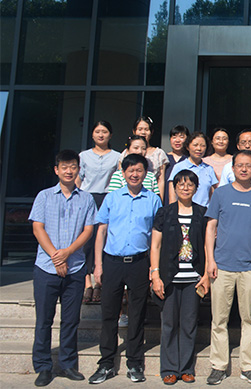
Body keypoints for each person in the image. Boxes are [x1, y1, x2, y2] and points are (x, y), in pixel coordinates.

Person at [89, 153, 162, 384]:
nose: (134, 174)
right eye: (130, 170)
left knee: (137, 315)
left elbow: (157, 237)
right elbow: (101, 231)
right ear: (123, 173)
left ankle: (134, 362)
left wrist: (154, 268)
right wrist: (98, 265)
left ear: (145, 173)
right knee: (109, 314)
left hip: (140, 263)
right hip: (112, 262)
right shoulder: (112, 198)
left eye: (139, 170)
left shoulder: (153, 200)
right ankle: (106, 363)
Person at [204, 150, 251, 385]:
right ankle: (218, 366)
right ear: (232, 168)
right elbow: (210, 228)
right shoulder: (221, 194)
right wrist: (210, 261)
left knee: (250, 319)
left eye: (248, 165)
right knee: (219, 320)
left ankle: (249, 366)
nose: (244, 169)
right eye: (240, 165)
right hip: (222, 266)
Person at [29, 150, 97, 387]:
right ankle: (43, 366)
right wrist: (57, 258)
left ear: (79, 170)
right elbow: (38, 228)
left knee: (70, 320)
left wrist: (68, 253)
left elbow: (88, 230)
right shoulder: (44, 196)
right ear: (56, 170)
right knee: (44, 320)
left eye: (73, 167)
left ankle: (68, 364)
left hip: (75, 267)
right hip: (46, 268)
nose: (69, 171)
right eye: (64, 167)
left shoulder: (86, 199)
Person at [150, 170, 210, 385]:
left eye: (190, 184)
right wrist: (155, 275)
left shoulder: (202, 213)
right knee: (169, 324)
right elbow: (155, 245)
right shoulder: (164, 212)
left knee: (188, 324)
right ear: (174, 187)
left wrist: (206, 275)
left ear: (196, 188)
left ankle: (186, 368)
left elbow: (207, 246)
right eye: (181, 184)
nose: (185, 188)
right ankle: (168, 368)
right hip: (169, 278)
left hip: (193, 278)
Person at [77, 121, 121, 304]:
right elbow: (79, 180)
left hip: (107, 198)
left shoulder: (117, 156)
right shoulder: (83, 156)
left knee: (104, 240)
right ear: (92, 134)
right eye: (97, 131)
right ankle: (87, 283)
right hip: (87, 199)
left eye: (104, 132)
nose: (101, 135)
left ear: (110, 135)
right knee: (87, 241)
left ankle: (99, 283)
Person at [122, 116, 169, 197]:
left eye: (146, 129)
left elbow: (161, 181)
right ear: (134, 131)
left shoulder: (159, 154)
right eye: (140, 129)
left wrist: (159, 200)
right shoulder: (125, 153)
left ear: (151, 132)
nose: (143, 132)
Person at [168, 132, 218, 206]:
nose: (199, 149)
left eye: (203, 146)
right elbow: (172, 196)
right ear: (187, 147)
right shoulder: (179, 167)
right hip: (183, 210)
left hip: (204, 211)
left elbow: (213, 195)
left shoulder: (209, 169)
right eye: (195, 145)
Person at [163, 125, 190, 204]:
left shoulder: (189, 160)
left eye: (181, 137)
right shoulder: (164, 159)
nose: (177, 140)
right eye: (174, 137)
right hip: (166, 203)